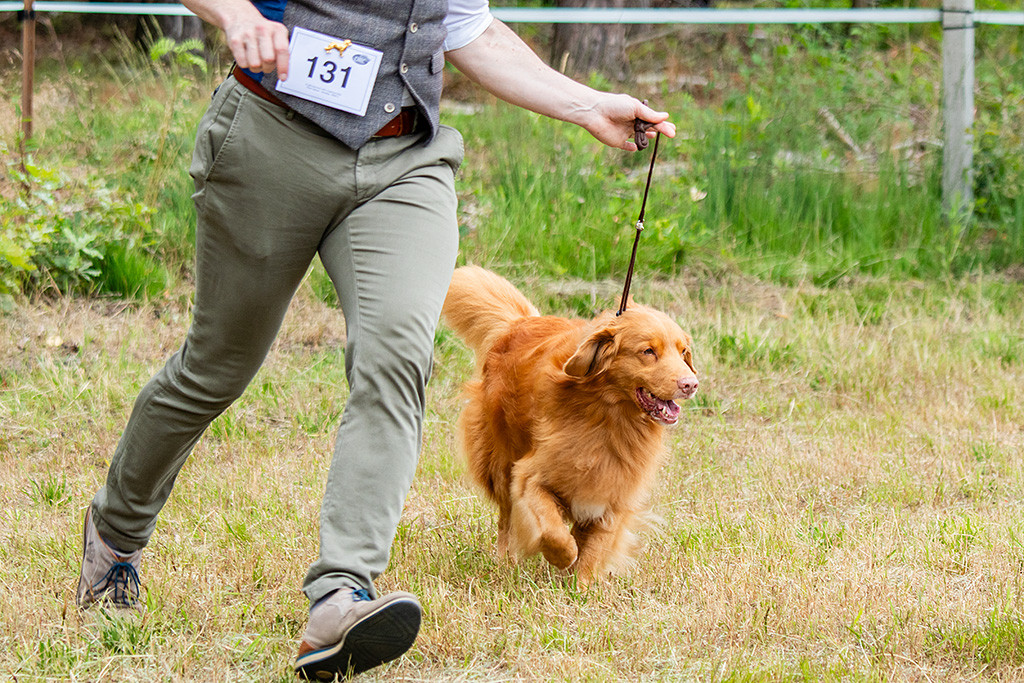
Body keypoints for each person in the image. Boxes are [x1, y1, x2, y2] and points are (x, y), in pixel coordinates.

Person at [75, 0, 676, 679]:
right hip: (275, 136)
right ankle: (115, 538)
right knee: (216, 366)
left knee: (397, 359)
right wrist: (237, 12)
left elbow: (465, 26)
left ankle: (341, 594)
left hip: (402, 156)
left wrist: (584, 102)